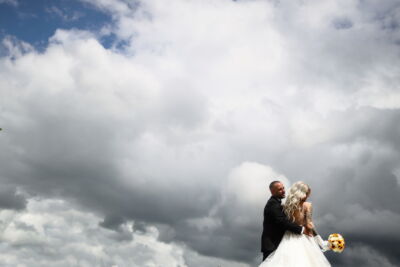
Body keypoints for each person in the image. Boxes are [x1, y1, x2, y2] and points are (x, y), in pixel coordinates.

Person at [259, 181, 331, 267]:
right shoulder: (274, 204)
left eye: (283, 188)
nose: (283, 190)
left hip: (286, 240)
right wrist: (321, 242)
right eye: (280, 189)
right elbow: (308, 225)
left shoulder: (285, 206)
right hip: (288, 240)